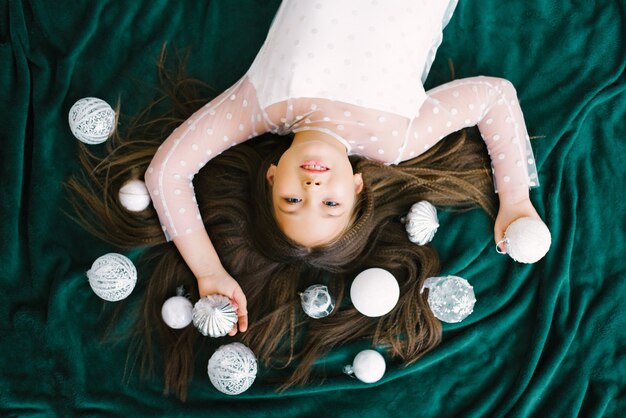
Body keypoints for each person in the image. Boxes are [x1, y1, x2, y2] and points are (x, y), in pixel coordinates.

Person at [68, 0, 544, 400]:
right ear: (358, 187)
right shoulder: (398, 140)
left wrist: (209, 271)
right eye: (330, 206)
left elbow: (168, 172)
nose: (313, 191)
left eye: (291, 200)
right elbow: (494, 97)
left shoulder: (258, 106)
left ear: (272, 176)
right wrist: (516, 201)